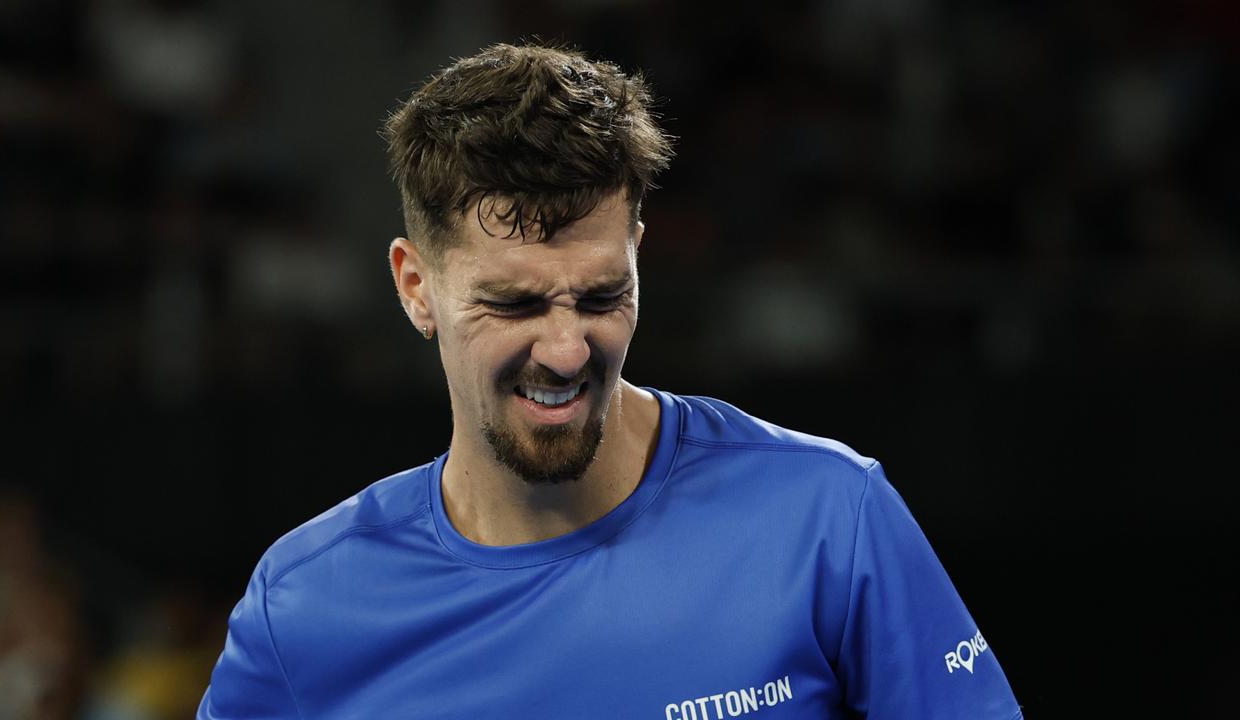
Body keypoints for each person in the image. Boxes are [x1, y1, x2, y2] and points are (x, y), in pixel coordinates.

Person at [198, 43, 1022, 720]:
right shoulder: (303, 611)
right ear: (417, 288)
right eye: (514, 304)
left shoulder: (829, 516)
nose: (565, 351)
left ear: (637, 249)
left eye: (601, 296)